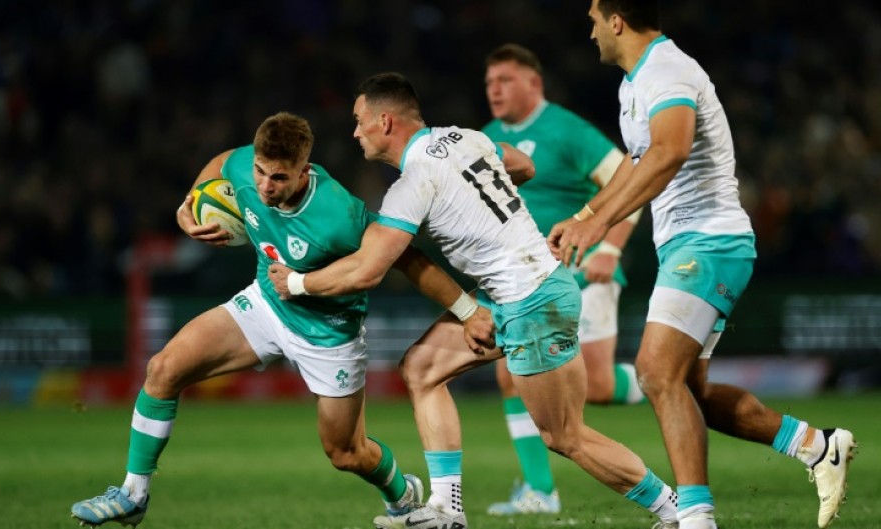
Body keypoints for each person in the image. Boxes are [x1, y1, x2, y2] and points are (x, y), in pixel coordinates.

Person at [269, 73, 680, 529]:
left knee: (565, 435)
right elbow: (522, 165)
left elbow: (367, 270)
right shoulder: (467, 137)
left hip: (532, 300)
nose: (354, 131)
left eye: (359, 120)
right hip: (512, 294)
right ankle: (448, 510)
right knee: (422, 368)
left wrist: (299, 284)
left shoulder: (413, 183)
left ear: (384, 121)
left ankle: (677, 510)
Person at [69, 111, 496, 527]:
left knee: (346, 453)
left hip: (329, 335)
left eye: (278, 177)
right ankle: (133, 494)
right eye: (259, 172)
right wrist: (189, 204)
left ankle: (402, 495)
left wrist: (468, 311)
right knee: (163, 369)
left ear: (304, 171)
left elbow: (410, 261)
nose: (264, 186)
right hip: (266, 306)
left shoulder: (340, 216)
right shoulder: (244, 168)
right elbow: (222, 162)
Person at [549, 2, 857, 528]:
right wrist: (586, 213)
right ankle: (816, 445)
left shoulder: (668, 71)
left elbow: (670, 151)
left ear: (617, 21)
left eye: (595, 18)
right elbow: (638, 159)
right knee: (695, 395)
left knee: (654, 371)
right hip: (687, 245)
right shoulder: (634, 84)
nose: (591, 29)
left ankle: (694, 517)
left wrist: (598, 228)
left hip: (709, 242)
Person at [480, 43, 647, 516]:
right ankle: (540, 492)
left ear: (534, 83)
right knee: (510, 377)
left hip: (582, 270)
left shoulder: (567, 130)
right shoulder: (486, 139)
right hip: (520, 283)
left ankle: (662, 380)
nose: (494, 89)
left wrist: (610, 248)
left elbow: (630, 179)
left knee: (594, 386)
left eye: (505, 80)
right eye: (490, 82)